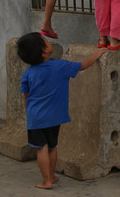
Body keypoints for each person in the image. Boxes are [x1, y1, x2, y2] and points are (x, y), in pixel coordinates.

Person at [17, 32, 108, 189]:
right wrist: (97, 54)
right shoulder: (61, 66)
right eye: (46, 41)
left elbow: (26, 96)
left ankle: (46, 181)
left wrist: (28, 113)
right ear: (44, 51)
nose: (49, 41)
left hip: (36, 118)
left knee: (41, 148)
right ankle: (51, 176)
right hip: (55, 117)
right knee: (52, 147)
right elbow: (83, 65)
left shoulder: (28, 73)